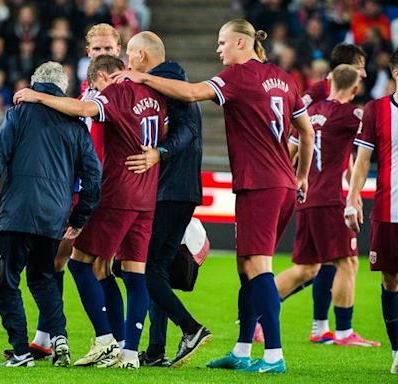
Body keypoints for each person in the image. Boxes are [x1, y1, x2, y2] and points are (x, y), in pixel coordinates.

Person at [111, 18, 315, 373]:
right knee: (246, 269)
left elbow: (190, 94)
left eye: (222, 42)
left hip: (259, 184)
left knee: (258, 267)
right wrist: (301, 176)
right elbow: (307, 132)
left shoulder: (239, 76)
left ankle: (274, 356)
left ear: (241, 43)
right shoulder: (284, 79)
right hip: (281, 182)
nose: (218, 49)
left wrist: (142, 77)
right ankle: (240, 350)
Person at [14, 54, 167, 369]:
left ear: (105, 76)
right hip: (146, 196)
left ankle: (104, 341)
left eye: (97, 86)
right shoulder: (154, 98)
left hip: (117, 192)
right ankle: (129, 355)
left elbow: (85, 109)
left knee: (80, 263)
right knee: (134, 273)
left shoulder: (116, 90)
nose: (98, 92)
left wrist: (37, 95)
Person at [0, 61, 102, 367]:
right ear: (62, 88)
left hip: (16, 211)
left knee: (6, 281)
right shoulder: (77, 126)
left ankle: (21, 351)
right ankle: (60, 338)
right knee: (43, 279)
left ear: (34, 83)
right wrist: (79, 217)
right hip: (53, 216)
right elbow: (94, 176)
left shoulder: (19, 114)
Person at [11, 23, 126, 361]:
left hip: (107, 190)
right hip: (81, 188)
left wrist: (38, 96)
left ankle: (115, 342)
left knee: (99, 266)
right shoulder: (88, 93)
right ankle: (48, 338)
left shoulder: (118, 92)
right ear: (88, 52)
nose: (103, 55)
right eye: (97, 50)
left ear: (119, 51)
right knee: (60, 260)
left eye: (109, 50)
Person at [118, 31, 209, 368]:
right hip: (177, 189)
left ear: (142, 55)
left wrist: (160, 152)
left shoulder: (168, 82)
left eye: (130, 55)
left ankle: (191, 328)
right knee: (157, 269)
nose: (128, 63)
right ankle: (155, 349)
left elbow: (188, 130)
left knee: (144, 268)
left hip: (172, 189)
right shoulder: (166, 83)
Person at [275, 64, 380, 347]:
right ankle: (345, 333)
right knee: (347, 262)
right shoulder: (352, 115)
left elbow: (288, 153)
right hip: (331, 200)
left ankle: (253, 308)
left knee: (306, 268)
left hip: (307, 199)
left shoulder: (310, 113)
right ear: (355, 89)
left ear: (329, 82)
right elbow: (376, 136)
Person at [345, 48, 398, 374]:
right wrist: (352, 198)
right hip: (387, 209)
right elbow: (362, 161)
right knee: (391, 280)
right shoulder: (376, 110)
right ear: (396, 74)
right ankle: (397, 351)